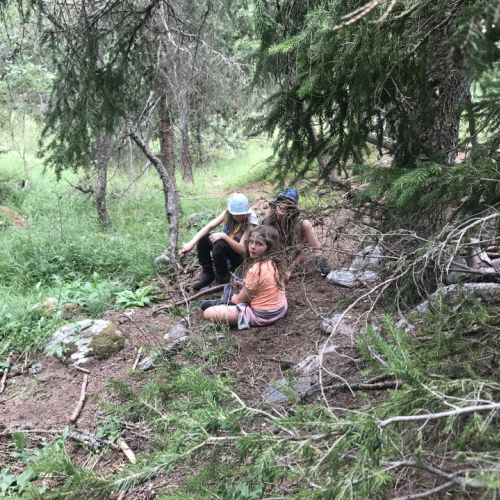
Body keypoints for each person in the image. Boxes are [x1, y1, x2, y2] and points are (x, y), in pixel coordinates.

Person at [203, 225, 288, 329]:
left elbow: (239, 300)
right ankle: (224, 301)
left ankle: (224, 302)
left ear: (269, 247)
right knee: (230, 287)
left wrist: (234, 298)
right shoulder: (276, 262)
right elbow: (266, 284)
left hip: (262, 315)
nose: (252, 246)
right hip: (280, 309)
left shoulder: (256, 269)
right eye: (251, 241)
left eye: (259, 244)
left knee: (207, 312)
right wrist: (244, 283)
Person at [181, 192, 259, 290]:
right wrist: (192, 243)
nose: (239, 217)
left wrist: (224, 236)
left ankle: (221, 279)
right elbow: (210, 226)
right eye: (236, 215)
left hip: (241, 257)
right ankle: (208, 274)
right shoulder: (228, 212)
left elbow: (242, 250)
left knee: (219, 243)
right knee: (204, 238)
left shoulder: (251, 221)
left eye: (242, 215)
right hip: (231, 248)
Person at [262, 187, 331, 277]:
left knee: (306, 224)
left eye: (289, 203)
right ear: (277, 203)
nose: (284, 205)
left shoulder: (298, 224)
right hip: (275, 257)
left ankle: (321, 262)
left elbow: (303, 251)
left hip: (294, 256)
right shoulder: (267, 222)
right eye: (282, 200)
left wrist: (290, 270)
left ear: (293, 208)